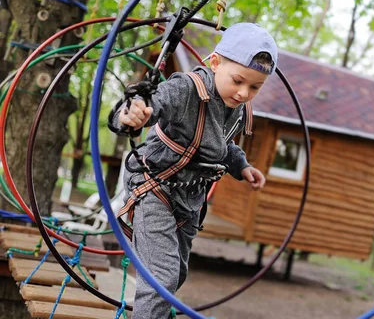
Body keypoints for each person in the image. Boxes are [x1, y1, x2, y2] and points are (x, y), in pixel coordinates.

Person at [110, 23, 278, 318]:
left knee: (176, 275)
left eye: (255, 87)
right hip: (154, 187)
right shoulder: (186, 89)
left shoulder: (235, 106)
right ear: (215, 62)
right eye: (238, 80)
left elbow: (221, 146)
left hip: (190, 200)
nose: (243, 93)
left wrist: (242, 166)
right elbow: (149, 103)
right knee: (160, 278)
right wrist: (132, 113)